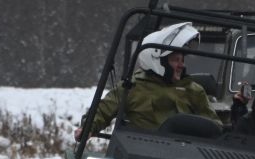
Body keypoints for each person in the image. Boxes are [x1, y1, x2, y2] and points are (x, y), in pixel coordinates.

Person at [87, 21, 219, 134]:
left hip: (186, 154)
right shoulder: (131, 87)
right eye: (175, 60)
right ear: (157, 61)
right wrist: (88, 128)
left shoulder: (194, 90)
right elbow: (103, 110)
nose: (181, 65)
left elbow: (215, 128)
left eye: (182, 60)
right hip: (140, 155)